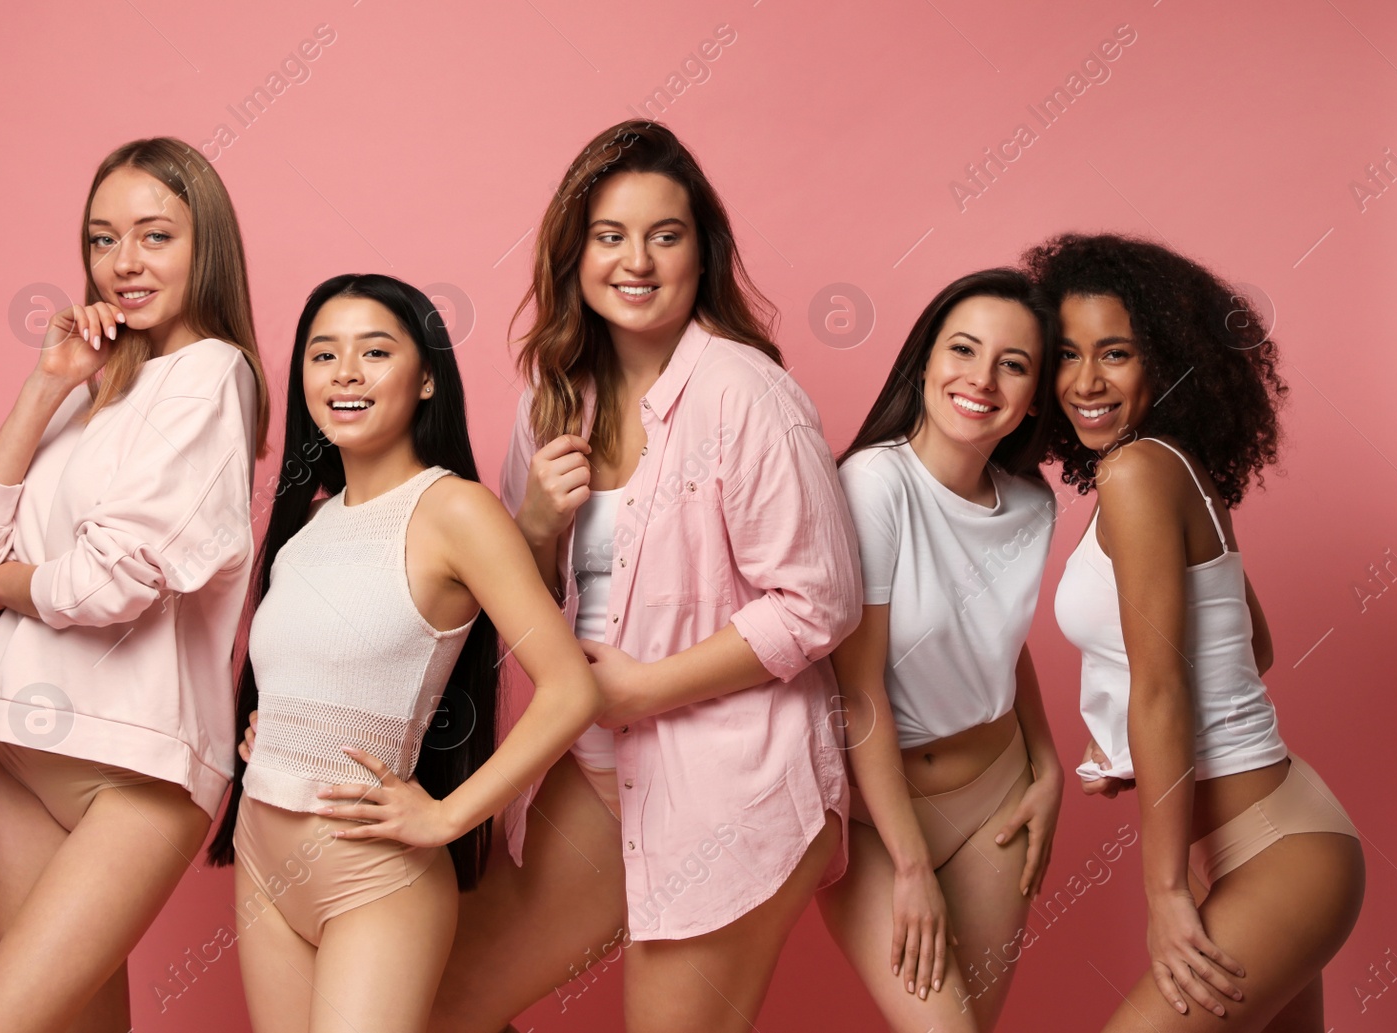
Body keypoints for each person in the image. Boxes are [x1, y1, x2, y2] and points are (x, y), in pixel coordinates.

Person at [428, 119, 864, 1032]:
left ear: (702, 255)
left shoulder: (748, 395)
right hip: (594, 770)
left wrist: (643, 688)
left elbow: (819, 604)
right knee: (435, 1004)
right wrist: (537, 527)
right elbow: (525, 608)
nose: (638, 260)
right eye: (610, 235)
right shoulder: (552, 400)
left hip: (732, 778)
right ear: (575, 253)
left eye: (665, 236)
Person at [0, 137, 269, 1033]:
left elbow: (112, 580)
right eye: (101, 238)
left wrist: (10, 587)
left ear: (207, 247)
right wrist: (46, 389)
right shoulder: (96, 384)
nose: (124, 263)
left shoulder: (210, 376)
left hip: (135, 766)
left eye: (155, 235)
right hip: (23, 742)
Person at [209, 274, 600, 1033]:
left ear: (425, 378)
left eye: (375, 351)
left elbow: (571, 691)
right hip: (263, 856)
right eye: (324, 354)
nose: (345, 373)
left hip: (375, 878)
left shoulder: (455, 509)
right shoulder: (305, 525)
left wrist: (450, 816)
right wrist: (275, 732)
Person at [1030, 232, 1364, 1031]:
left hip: (1280, 858)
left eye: (1115, 353)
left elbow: (1166, 684)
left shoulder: (1138, 473)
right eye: (1067, 355)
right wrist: (1130, 743)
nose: (1084, 381)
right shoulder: (1175, 469)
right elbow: (1254, 647)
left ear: (1168, 359)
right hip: (1290, 834)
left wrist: (1166, 891)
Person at [818, 269, 1064, 1032]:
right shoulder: (875, 485)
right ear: (924, 360)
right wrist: (911, 864)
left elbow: (997, 639)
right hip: (875, 821)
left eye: (1013, 364)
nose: (982, 379)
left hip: (998, 796)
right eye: (963, 349)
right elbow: (857, 695)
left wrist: (1048, 762)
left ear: (1033, 397)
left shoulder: (1031, 505)